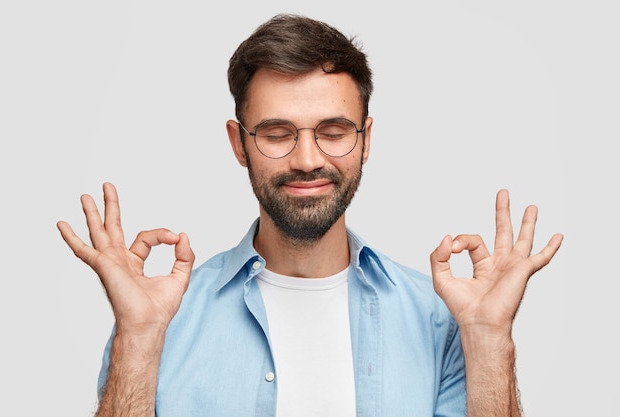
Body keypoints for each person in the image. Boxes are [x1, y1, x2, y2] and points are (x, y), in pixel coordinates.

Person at [57, 14, 563, 417]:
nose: (306, 159)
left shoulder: (442, 321)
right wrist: (139, 339)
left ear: (366, 139)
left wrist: (490, 339)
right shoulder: (159, 321)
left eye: (334, 131)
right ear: (239, 144)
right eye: (277, 133)